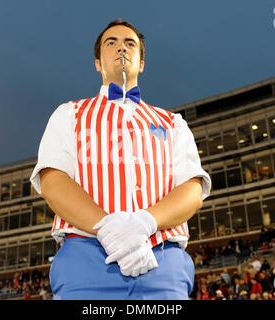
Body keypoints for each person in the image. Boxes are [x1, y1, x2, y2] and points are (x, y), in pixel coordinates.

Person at [30, 19, 211, 300]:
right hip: (86, 258)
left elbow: (192, 189)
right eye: (111, 42)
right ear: (98, 64)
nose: (121, 48)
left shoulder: (173, 123)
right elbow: (53, 182)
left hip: (161, 260)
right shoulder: (69, 114)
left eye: (130, 43)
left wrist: (145, 223)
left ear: (141, 63)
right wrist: (108, 228)